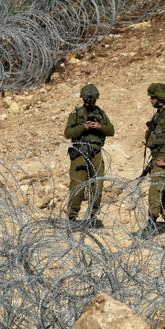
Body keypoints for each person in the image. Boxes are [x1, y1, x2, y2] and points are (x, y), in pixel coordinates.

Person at [64, 84, 114, 228]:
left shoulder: (101, 114)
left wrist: (99, 127)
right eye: (87, 101)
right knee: (78, 187)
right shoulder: (76, 114)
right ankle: (72, 219)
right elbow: (68, 133)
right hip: (80, 152)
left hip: (96, 153)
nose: (89, 104)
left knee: (97, 186)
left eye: (92, 101)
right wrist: (83, 127)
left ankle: (93, 216)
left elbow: (111, 130)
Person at [137, 82, 165, 238]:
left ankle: (151, 223)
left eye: (153, 97)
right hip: (157, 157)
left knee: (155, 189)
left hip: (163, 158)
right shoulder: (159, 113)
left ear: (159, 98)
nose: (150, 100)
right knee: (163, 188)